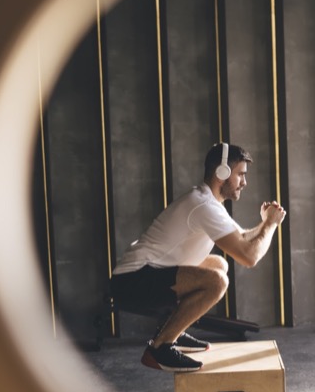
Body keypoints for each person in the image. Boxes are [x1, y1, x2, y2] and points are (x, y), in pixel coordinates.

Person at [109, 142, 286, 372]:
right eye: (241, 175)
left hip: (147, 275)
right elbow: (248, 257)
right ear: (222, 173)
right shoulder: (204, 206)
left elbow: (242, 236)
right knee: (217, 281)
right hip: (133, 281)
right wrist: (270, 225)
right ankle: (160, 348)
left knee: (218, 264)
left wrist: (264, 222)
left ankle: (173, 329)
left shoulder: (209, 201)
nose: (245, 182)